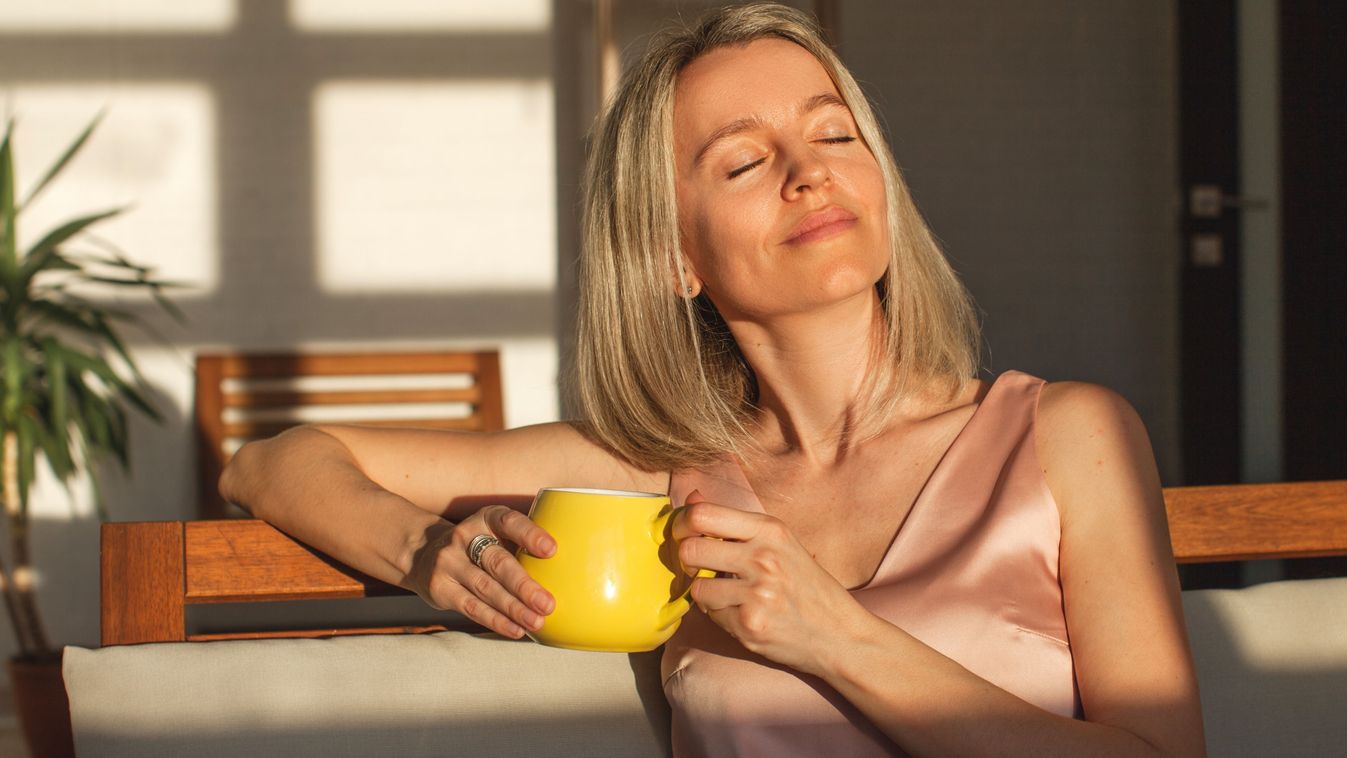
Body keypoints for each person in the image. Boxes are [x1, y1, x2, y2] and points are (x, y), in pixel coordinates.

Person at [221, 4, 1204, 756]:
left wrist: (835, 635)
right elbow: (269, 462)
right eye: (743, 162)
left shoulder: (1068, 436)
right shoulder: (658, 481)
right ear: (674, 257)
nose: (806, 173)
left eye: (833, 135)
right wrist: (427, 550)